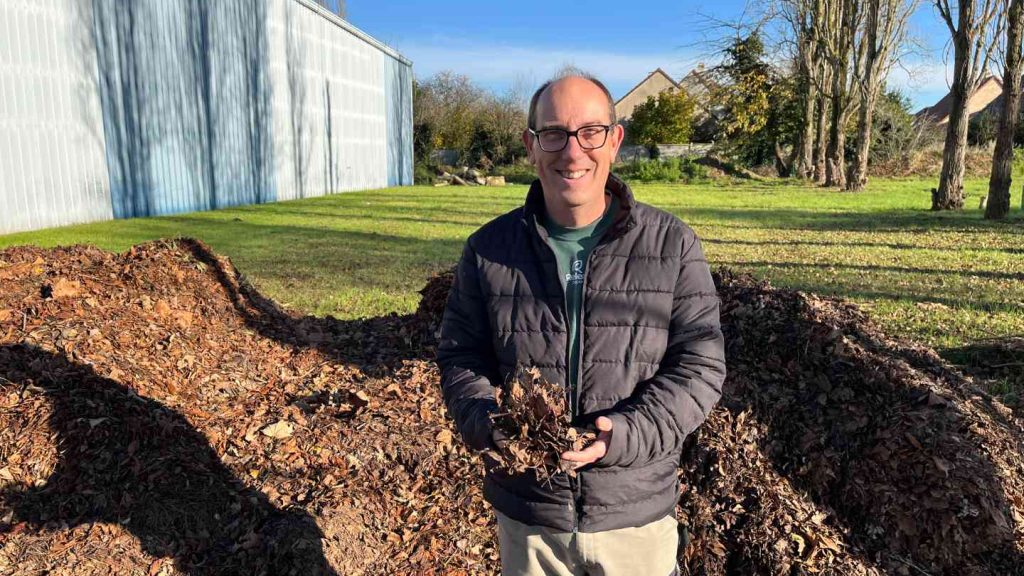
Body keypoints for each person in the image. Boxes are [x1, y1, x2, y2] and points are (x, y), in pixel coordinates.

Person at [436, 73, 726, 575]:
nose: (573, 152)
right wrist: (490, 425)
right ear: (531, 145)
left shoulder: (672, 245)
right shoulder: (489, 249)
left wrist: (628, 434)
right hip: (531, 521)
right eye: (554, 133)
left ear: (614, 140)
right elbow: (462, 356)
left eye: (590, 132)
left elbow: (700, 366)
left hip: (633, 517)